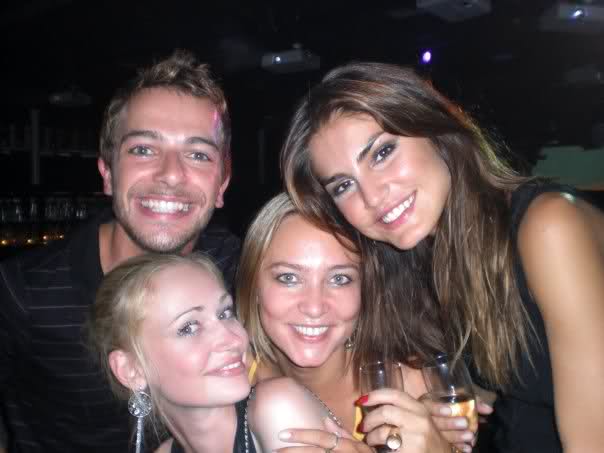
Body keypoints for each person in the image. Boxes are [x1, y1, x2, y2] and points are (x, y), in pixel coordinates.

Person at [280, 62, 604, 452]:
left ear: (435, 129)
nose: (372, 197)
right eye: (344, 185)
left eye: (382, 153)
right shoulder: (433, 264)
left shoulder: (549, 226)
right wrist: (465, 402)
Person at [0, 50, 240, 452]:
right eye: (143, 149)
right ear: (108, 173)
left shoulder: (239, 267)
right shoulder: (23, 291)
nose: (171, 174)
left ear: (222, 184)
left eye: (198, 154)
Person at [237, 193, 476, 453]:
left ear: (365, 290)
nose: (315, 307)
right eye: (288, 278)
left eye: (339, 279)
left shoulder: (413, 388)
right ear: (253, 286)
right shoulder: (229, 378)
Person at [89, 252, 331, 453]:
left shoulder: (278, 409)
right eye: (189, 327)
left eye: (225, 313)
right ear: (132, 370)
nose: (233, 339)